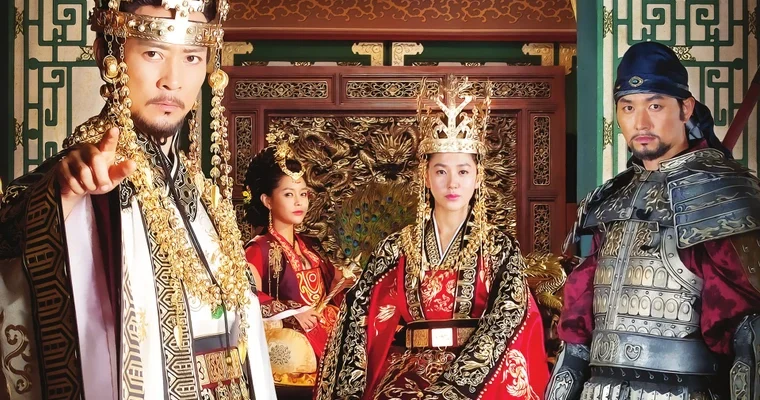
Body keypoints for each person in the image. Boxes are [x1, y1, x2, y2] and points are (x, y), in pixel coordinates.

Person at [0, 0, 276, 399]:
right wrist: (61, 197)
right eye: (153, 53)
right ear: (107, 53)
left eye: (192, 57)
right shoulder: (85, 180)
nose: (173, 81)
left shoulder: (203, 193)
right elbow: (10, 244)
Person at [545, 41, 760, 399]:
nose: (640, 122)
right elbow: (578, 330)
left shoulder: (723, 197)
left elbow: (748, 333)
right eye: (628, 107)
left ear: (685, 108)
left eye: (655, 105)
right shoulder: (611, 199)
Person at [315, 75, 550, 400]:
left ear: (477, 177)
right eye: (441, 171)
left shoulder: (499, 248)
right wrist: (349, 389)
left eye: (463, 171)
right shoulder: (396, 247)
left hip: (479, 378)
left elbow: (509, 317)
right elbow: (358, 309)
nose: (452, 183)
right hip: (408, 372)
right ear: (426, 176)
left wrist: (456, 386)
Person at [242, 143, 351, 387]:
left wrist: (347, 280)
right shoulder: (258, 249)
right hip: (293, 341)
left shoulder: (311, 247)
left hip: (325, 334)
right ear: (267, 200)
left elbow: (335, 288)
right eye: (289, 194)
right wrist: (293, 311)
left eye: (303, 194)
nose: (299, 202)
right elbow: (246, 295)